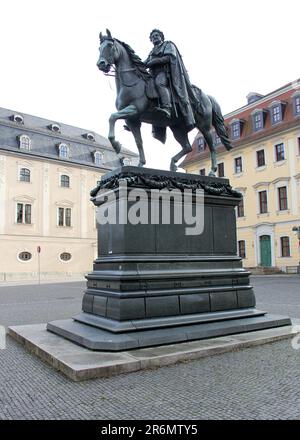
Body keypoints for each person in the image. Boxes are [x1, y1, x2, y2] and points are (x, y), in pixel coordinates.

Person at [144, 29, 197, 130]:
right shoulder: (152, 52)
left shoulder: (168, 45)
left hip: (165, 73)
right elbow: (145, 62)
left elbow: (169, 57)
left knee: (159, 84)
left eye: (157, 35)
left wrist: (154, 61)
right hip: (153, 74)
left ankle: (167, 107)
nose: (154, 37)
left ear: (161, 37)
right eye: (152, 36)